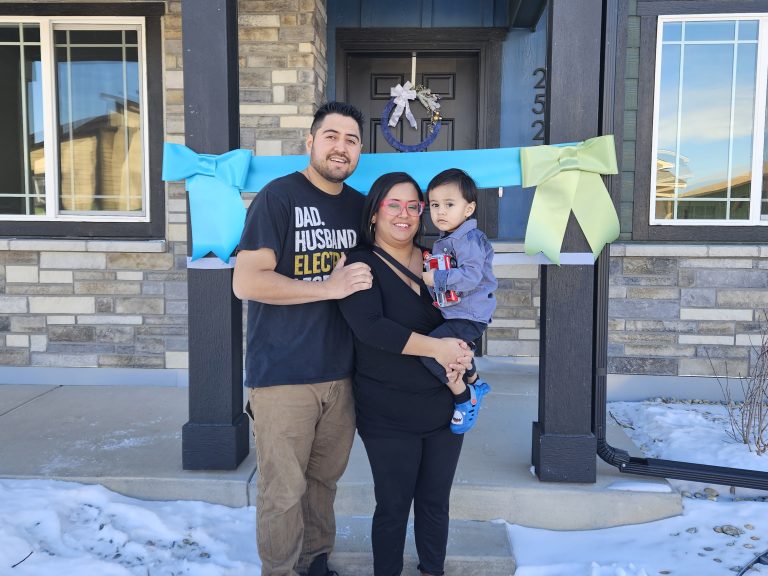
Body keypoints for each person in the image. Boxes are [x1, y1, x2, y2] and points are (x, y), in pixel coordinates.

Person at [232, 102, 374, 576]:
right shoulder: (278, 197)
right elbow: (247, 281)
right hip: (284, 374)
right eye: (331, 136)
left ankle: (315, 563)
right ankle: (279, 570)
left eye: (351, 140)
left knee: (322, 485)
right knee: (283, 491)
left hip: (343, 375)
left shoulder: (360, 208)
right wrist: (328, 288)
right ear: (310, 142)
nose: (341, 147)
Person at [337, 172, 474, 576]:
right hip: (387, 412)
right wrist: (438, 348)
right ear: (374, 213)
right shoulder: (360, 264)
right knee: (393, 506)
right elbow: (371, 328)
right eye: (393, 205)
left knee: (435, 503)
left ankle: (433, 569)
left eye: (414, 206)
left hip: (443, 407)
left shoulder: (438, 260)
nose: (405, 214)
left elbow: (466, 313)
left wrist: (463, 355)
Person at [421, 168, 498, 434]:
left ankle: (465, 398)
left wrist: (436, 278)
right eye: (434, 205)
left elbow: (471, 277)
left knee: (432, 353)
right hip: (459, 313)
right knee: (459, 350)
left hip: (469, 315)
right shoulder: (450, 238)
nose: (440, 212)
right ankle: (475, 382)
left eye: (449, 204)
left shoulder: (468, 239)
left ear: (469, 209)